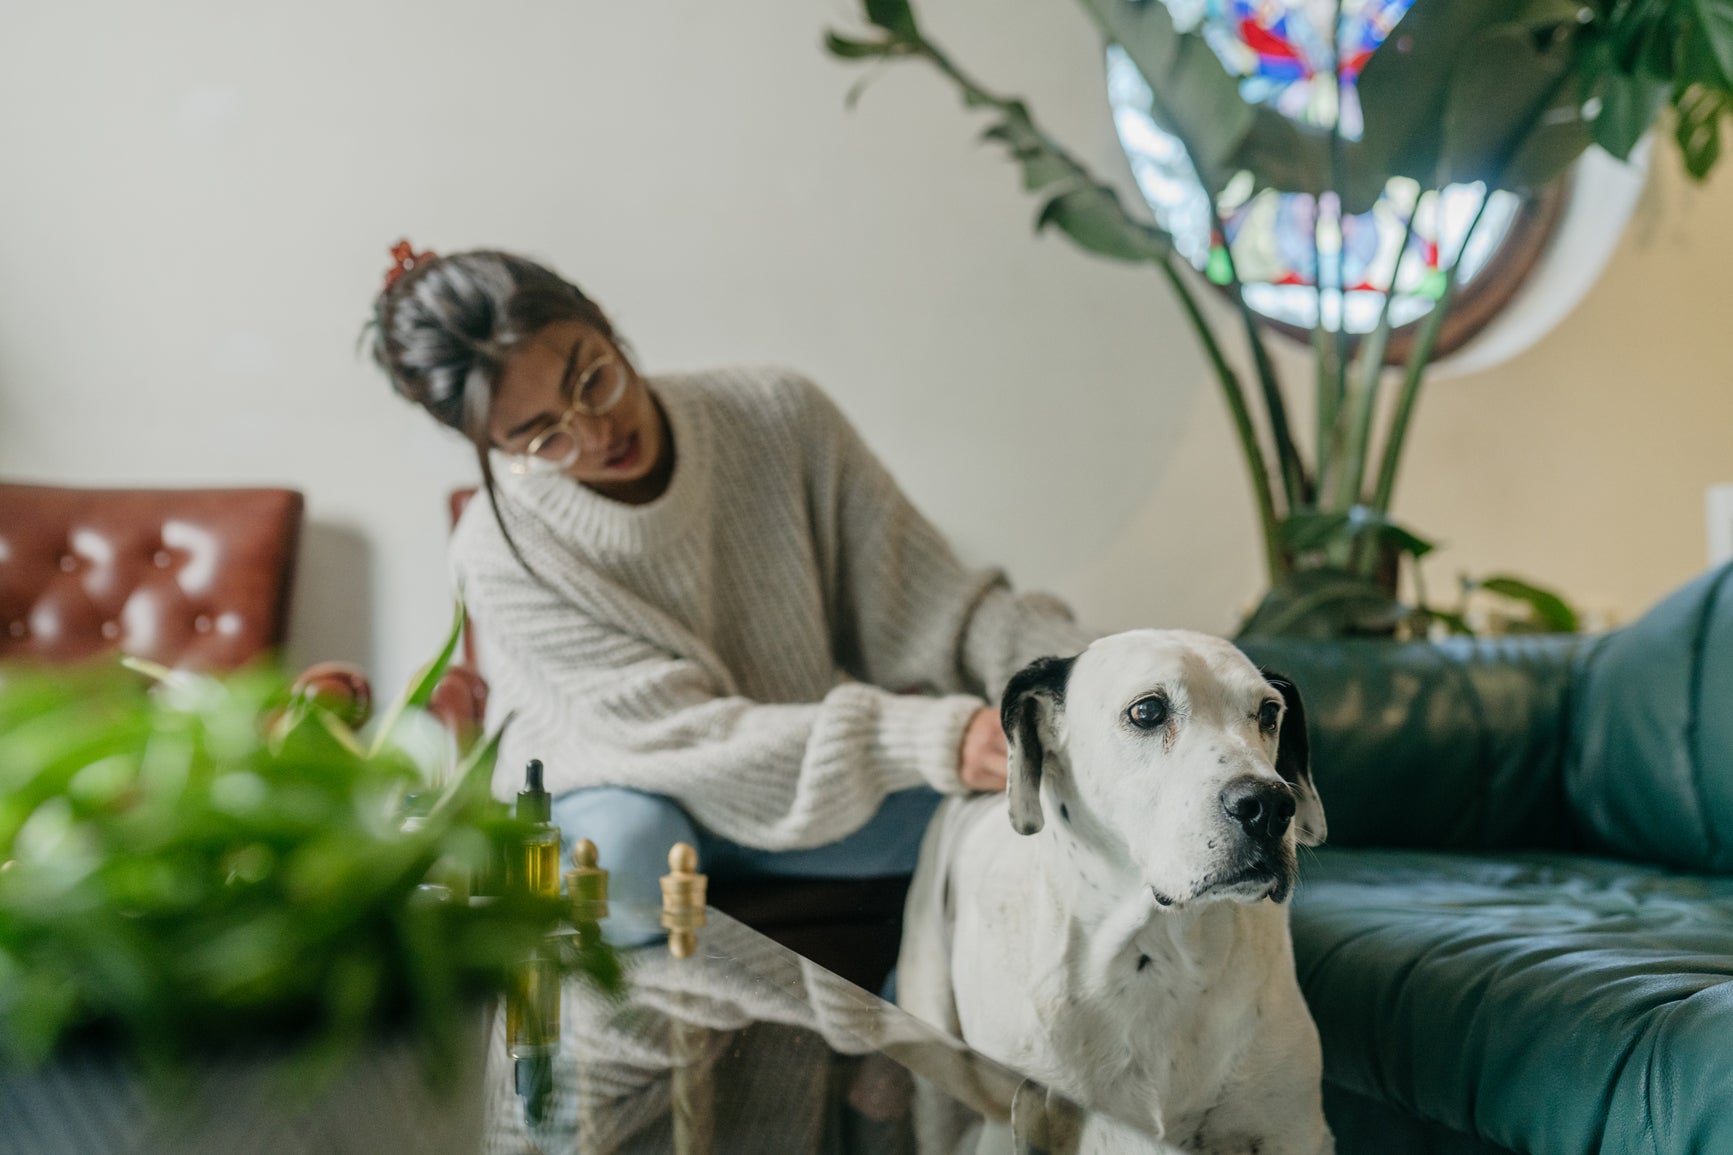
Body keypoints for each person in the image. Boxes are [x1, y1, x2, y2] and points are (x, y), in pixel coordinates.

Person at [370, 242, 1095, 925]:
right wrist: (932, 737)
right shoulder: (498, 552)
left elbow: (942, 611)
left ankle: (902, 1032)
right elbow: (682, 739)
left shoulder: (777, 414)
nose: (594, 433)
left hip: (785, 767)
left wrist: (1097, 671)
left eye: (591, 378)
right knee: (628, 851)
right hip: (620, 788)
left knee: (1045, 810)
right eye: (541, 436)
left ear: (598, 315)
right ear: (493, 446)